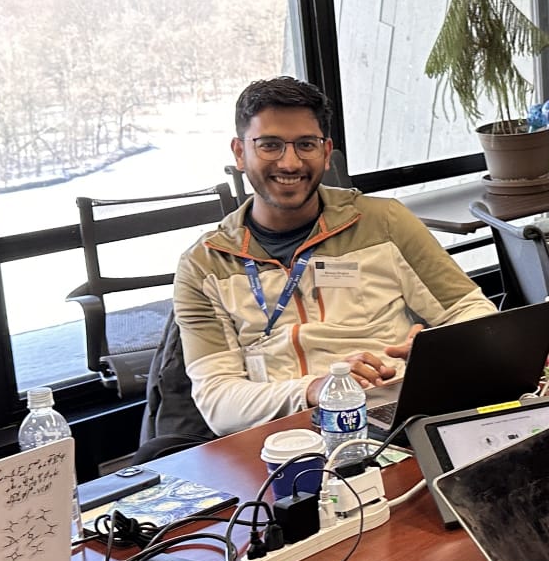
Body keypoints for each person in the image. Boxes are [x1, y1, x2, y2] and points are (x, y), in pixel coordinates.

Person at [174, 76, 498, 437]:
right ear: (239, 152)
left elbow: (473, 312)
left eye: (306, 145)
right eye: (270, 145)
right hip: (286, 435)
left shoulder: (385, 222)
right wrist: (314, 389)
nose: (291, 162)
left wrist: (436, 352)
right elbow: (218, 403)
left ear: (326, 153)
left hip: (392, 419)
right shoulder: (204, 265)